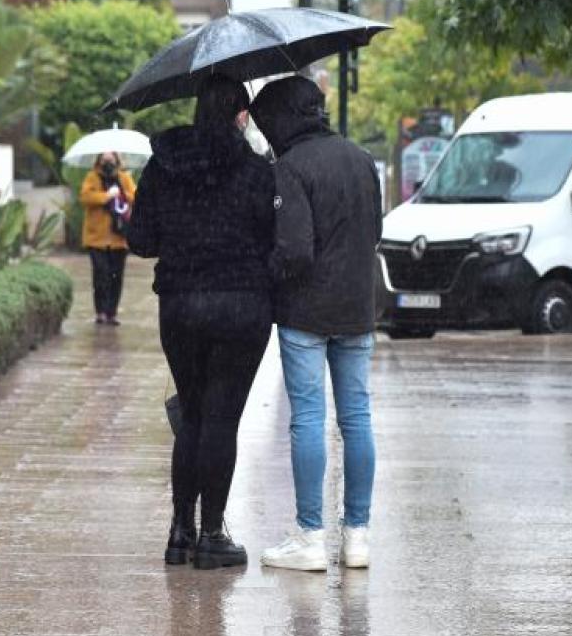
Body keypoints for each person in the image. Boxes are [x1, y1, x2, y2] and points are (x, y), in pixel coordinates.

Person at [129, 76, 276, 570]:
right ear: (240, 115)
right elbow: (273, 239)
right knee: (221, 419)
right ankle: (213, 533)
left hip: (181, 304)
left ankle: (179, 532)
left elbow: (141, 239)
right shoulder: (258, 172)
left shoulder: (163, 166)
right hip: (241, 305)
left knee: (192, 415)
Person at [250, 76, 383, 572]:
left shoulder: (291, 167)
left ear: (284, 118)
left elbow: (295, 250)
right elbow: (377, 229)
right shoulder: (362, 159)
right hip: (357, 308)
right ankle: (358, 537)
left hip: (305, 312)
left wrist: (269, 271)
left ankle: (309, 537)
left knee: (308, 417)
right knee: (357, 418)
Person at [80, 152, 136, 325]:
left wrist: (123, 194)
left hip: (119, 238)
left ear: (117, 160)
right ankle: (100, 311)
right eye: (104, 159)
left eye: (111, 159)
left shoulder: (124, 177)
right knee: (100, 274)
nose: (108, 162)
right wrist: (106, 196)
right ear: (98, 161)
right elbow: (85, 197)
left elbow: (135, 196)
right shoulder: (92, 177)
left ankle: (112, 312)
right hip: (97, 238)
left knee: (116, 277)